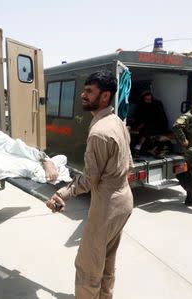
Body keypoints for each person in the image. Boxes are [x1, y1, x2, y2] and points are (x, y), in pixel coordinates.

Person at [46, 70, 133, 298]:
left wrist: (62, 193)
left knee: (88, 266)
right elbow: (128, 163)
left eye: (89, 91)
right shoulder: (118, 122)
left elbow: (89, 179)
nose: (83, 95)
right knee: (106, 261)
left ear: (105, 96)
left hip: (108, 205)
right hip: (123, 200)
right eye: (84, 90)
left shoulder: (99, 131)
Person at [130, 90, 169, 157]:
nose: (149, 101)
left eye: (150, 99)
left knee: (145, 131)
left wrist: (143, 124)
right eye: (146, 99)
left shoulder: (156, 104)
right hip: (148, 125)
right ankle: (137, 148)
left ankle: (138, 148)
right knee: (137, 131)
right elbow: (139, 117)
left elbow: (155, 118)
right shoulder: (142, 106)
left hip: (160, 126)